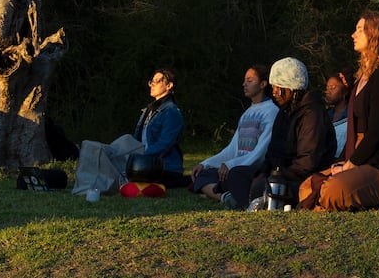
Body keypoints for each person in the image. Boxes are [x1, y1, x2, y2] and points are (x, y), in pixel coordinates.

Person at [310, 11, 379, 211]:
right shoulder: (360, 80)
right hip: (361, 160)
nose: (353, 35)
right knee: (308, 185)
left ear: (374, 35)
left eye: (359, 30)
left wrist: (350, 165)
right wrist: (342, 163)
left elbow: (377, 131)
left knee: (332, 189)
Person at [236, 57, 336, 210]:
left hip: (301, 177)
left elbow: (308, 161)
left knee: (268, 185)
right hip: (281, 172)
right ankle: (252, 200)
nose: (274, 92)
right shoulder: (284, 111)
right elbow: (273, 152)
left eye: (278, 87)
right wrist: (264, 171)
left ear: (292, 87)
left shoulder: (312, 113)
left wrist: (280, 175)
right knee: (238, 175)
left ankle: (257, 202)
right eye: (273, 87)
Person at [191, 63, 278, 201]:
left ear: (263, 84)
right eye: (244, 81)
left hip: (251, 170)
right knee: (203, 174)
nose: (244, 84)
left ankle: (217, 193)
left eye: (250, 81)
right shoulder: (247, 114)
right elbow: (232, 149)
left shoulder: (271, 111)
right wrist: (205, 163)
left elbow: (261, 152)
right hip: (235, 168)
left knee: (233, 176)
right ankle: (223, 196)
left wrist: (232, 165)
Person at [134, 67, 187, 187]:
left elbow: (165, 143)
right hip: (144, 163)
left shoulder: (171, 111)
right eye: (151, 81)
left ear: (169, 86)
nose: (152, 84)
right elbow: (136, 138)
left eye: (157, 81)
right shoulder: (148, 110)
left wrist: (140, 156)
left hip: (164, 167)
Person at [324, 69, 351, 154]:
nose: (328, 91)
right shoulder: (326, 116)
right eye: (327, 88)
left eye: (333, 87)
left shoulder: (351, 114)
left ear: (345, 92)